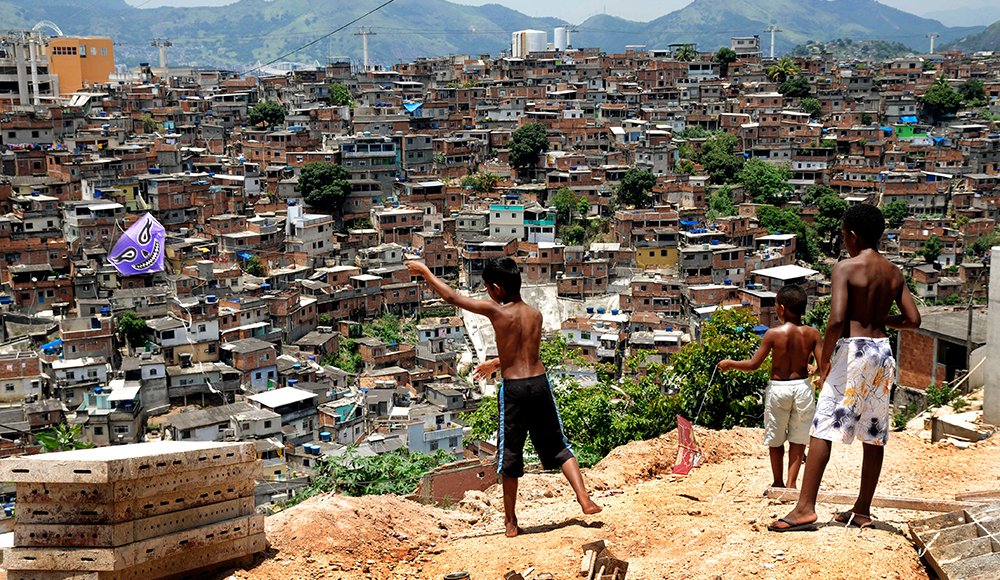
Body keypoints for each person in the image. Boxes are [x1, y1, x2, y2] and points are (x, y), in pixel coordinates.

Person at [405, 257, 602, 537]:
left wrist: (424, 271)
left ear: (496, 288)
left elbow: (451, 297)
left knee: (510, 455)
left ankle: (510, 522)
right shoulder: (535, 314)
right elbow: (524, 351)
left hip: (514, 390)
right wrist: (495, 363)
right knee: (558, 444)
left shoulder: (496, 312)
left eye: (487, 288)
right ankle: (584, 499)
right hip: (539, 383)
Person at [768, 203, 921, 532]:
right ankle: (862, 509)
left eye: (842, 235)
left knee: (823, 426)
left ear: (852, 236)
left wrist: (824, 365)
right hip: (882, 353)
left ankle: (805, 508)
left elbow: (837, 319)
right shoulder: (894, 272)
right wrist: (881, 320)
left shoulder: (846, 268)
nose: (842, 241)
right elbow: (913, 319)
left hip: (853, 352)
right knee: (874, 432)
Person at [718, 285, 821, 491]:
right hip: (802, 388)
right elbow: (824, 366)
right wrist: (815, 372)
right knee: (798, 439)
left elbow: (753, 364)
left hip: (779, 389)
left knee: (776, 439)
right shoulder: (813, 334)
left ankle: (777, 482)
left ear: (781, 308)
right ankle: (791, 486)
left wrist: (730, 363)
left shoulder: (773, 334)